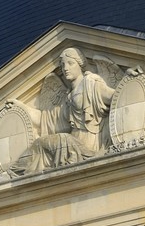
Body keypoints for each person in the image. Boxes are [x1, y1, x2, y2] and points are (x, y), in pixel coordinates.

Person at [11, 47, 115, 176]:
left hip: (88, 145)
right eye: (63, 64)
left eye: (70, 63)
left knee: (42, 143)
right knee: (40, 144)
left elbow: (115, 96)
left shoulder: (91, 83)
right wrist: (22, 107)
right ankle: (16, 172)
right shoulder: (68, 96)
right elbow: (45, 120)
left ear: (80, 65)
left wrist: (129, 80)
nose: (65, 68)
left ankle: (13, 172)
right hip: (72, 142)